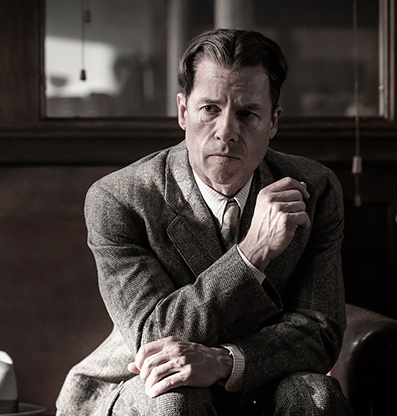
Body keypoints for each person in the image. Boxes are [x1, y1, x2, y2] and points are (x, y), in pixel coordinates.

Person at [56, 28, 353, 416]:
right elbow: (156, 336)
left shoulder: (315, 188)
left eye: (247, 114)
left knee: (317, 397)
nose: (227, 131)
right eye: (210, 109)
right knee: (175, 398)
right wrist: (252, 253)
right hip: (143, 383)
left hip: (257, 382)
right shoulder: (119, 199)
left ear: (273, 122)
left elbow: (320, 331)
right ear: (183, 112)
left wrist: (226, 361)